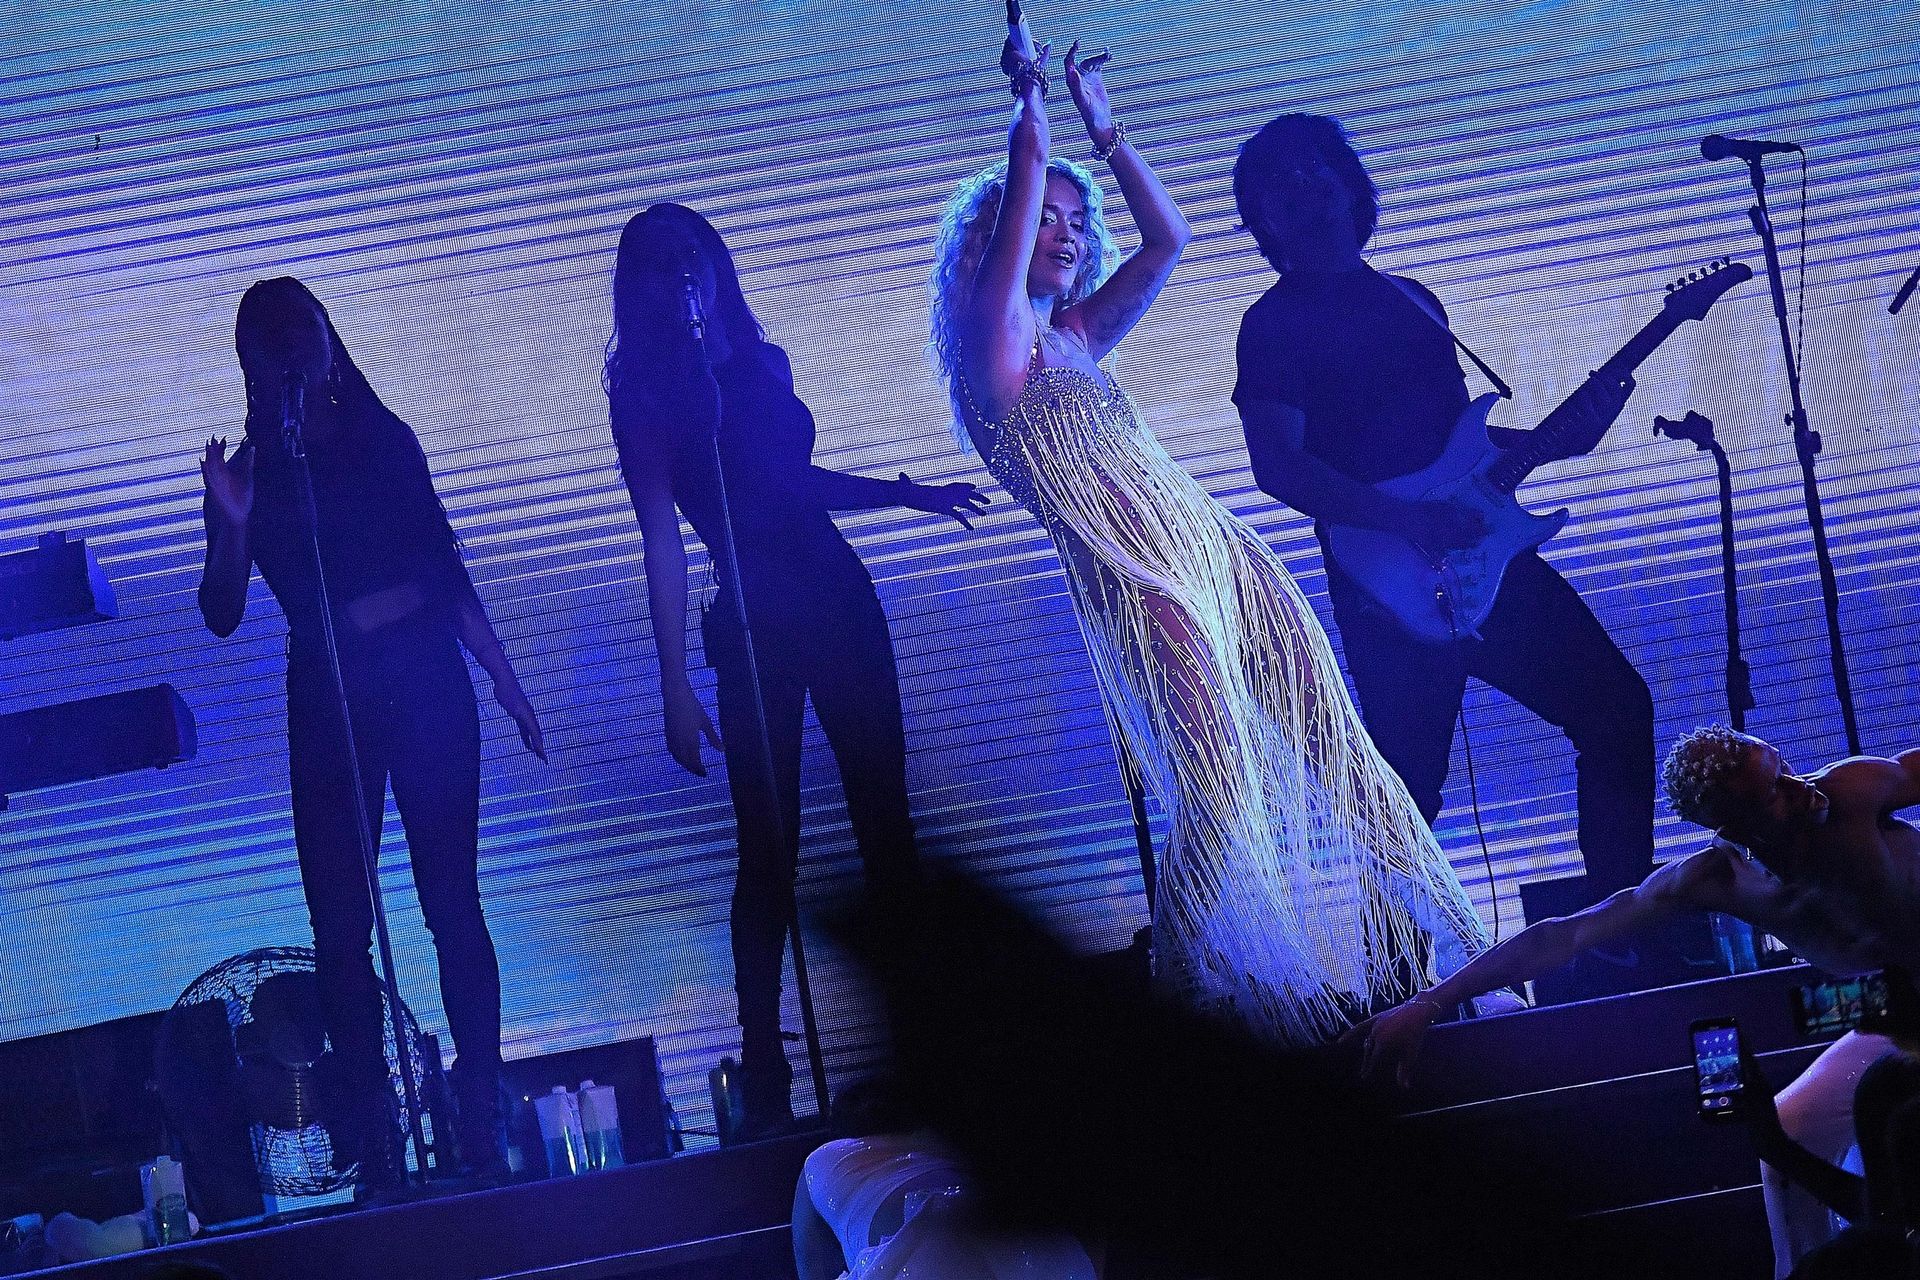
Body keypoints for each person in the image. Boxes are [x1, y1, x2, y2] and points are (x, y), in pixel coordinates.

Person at [928, 35, 1487, 1045]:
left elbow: (1168, 239)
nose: (1061, 234)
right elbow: (1024, 185)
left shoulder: (1075, 337)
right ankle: (1182, 989)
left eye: (1074, 221)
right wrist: (1030, 103)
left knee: (1339, 747)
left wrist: (1107, 134)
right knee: (1219, 789)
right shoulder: (994, 346)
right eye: (1042, 217)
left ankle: (1461, 953)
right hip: (1137, 572)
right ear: (1002, 230)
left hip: (1214, 552)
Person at [605, 204, 984, 1136]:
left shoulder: (761, 360)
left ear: (716, 266)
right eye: (661, 263)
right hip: (751, 619)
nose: (683, 274)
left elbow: (791, 485)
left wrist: (906, 495)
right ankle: (766, 1068)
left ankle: (927, 1040)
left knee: (884, 819)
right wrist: (673, 684)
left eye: (693, 256)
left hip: (833, 595)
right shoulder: (645, 392)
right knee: (768, 844)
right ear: (640, 285)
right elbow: (662, 537)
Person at [1229, 113, 1655, 915]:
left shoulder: (1412, 298)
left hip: (1483, 555)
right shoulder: (1273, 324)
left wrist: (1561, 440)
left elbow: (1460, 447)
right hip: (1385, 583)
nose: (1307, 185)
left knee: (1617, 711)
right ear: (1264, 219)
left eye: (1318, 166)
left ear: (1350, 184)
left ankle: (1617, 937)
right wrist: (1408, 523)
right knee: (1405, 799)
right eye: (1281, 181)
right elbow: (1278, 464)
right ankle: (1394, 983)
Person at [197, 277, 544, 1185]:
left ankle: (479, 1112)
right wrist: (231, 525)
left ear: (328, 343)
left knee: (450, 900)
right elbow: (222, 611)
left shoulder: (386, 442)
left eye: (305, 337)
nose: (296, 358)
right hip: (327, 707)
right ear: (255, 364)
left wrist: (503, 677)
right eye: (276, 346)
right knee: (341, 926)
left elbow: (442, 570)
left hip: (423, 687)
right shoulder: (254, 473)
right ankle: (375, 1133)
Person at [1356, 724, 1920, 1276]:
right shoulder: (1717, 880)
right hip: (1901, 1016)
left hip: (1904, 1010)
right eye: (1773, 790)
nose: (1802, 787)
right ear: (1733, 826)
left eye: (1784, 768)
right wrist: (1427, 1003)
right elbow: (1566, 935)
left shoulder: (1853, 790)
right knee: (1789, 1132)